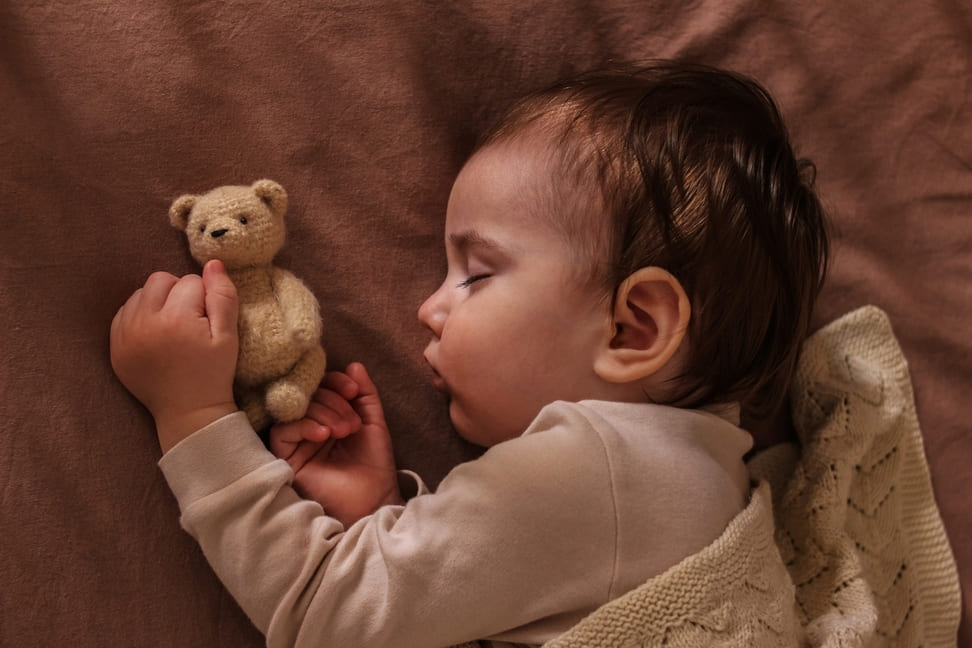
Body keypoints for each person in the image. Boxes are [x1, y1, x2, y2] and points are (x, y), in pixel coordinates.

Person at [110, 62, 828, 647]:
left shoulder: (595, 465)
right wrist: (382, 519)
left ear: (633, 329)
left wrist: (195, 413)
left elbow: (329, 613)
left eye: (477, 274)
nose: (429, 308)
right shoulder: (704, 475)